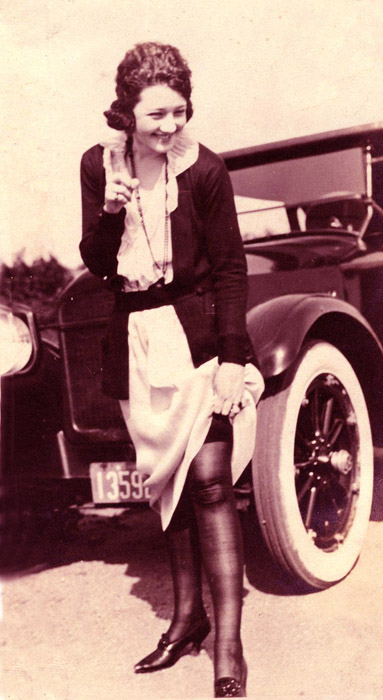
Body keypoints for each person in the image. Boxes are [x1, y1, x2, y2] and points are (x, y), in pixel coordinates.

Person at [79, 42, 264, 698]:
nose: (169, 126)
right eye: (156, 114)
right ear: (126, 111)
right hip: (135, 340)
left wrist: (231, 363)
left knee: (212, 483)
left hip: (199, 337)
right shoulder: (98, 166)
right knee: (169, 487)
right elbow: (99, 264)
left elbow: (233, 268)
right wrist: (109, 210)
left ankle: (228, 648)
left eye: (179, 112)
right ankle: (186, 621)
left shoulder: (205, 169)